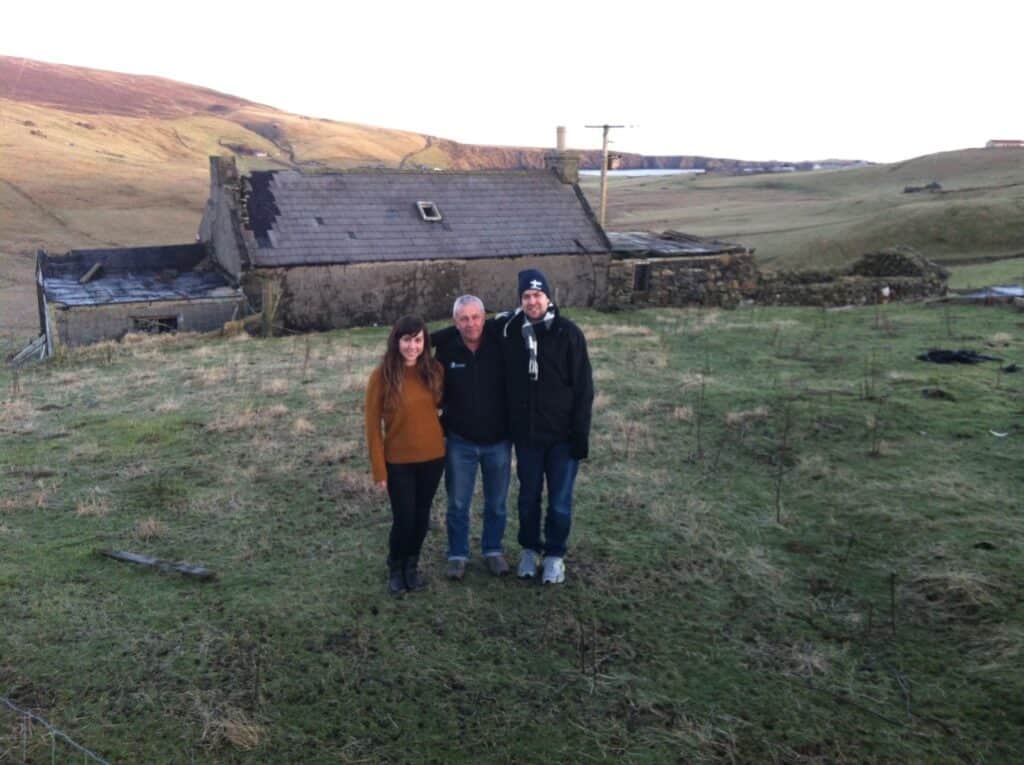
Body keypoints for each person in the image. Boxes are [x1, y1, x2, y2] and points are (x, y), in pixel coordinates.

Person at [498, 269, 594, 584]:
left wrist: (580, 435)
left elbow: (583, 388)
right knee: (527, 497)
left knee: (560, 501)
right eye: (526, 296)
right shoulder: (510, 330)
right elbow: (468, 328)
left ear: (548, 297)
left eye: (537, 295)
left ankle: (554, 555)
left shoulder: (568, 333)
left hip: (563, 437)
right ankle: (529, 549)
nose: (532, 301)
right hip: (527, 436)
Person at [432, 295, 512, 581]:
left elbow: (521, 315)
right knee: (457, 503)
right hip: (460, 441)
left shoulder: (500, 342)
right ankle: (457, 554)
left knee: (497, 502)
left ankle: (492, 550)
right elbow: (434, 389)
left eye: (476, 317)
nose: (471, 324)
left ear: (484, 317)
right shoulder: (446, 350)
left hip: (499, 440)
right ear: (455, 322)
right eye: (463, 319)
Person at [364, 315, 445, 595]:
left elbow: (439, 407)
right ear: (397, 341)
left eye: (418, 340)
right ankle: (396, 567)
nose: (413, 346)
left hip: (433, 458)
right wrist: (379, 469)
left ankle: (412, 566)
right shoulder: (382, 376)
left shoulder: (434, 370)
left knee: (422, 516)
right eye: (407, 339)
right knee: (404, 518)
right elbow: (372, 426)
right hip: (398, 462)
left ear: (425, 342)